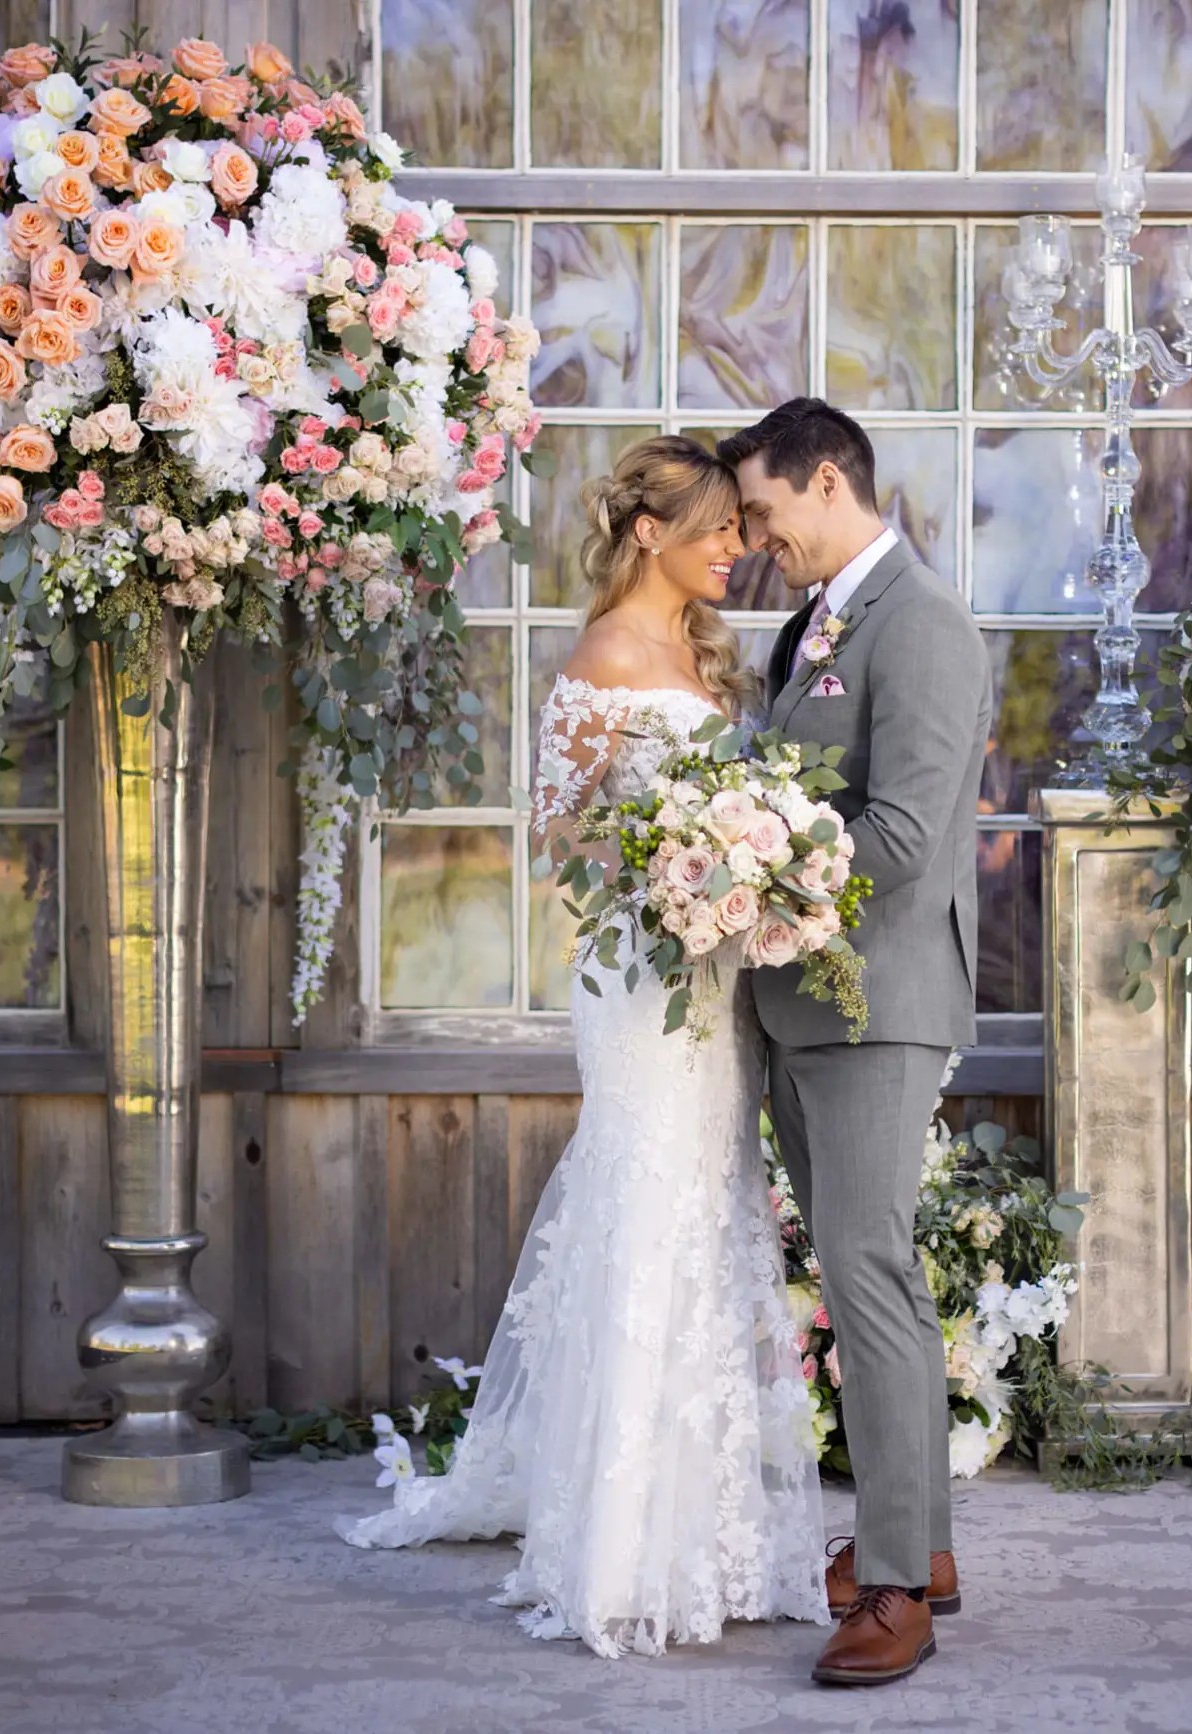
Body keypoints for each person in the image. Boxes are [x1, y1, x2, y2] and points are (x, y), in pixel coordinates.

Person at [334, 435, 828, 1659]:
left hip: (713, 985)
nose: (735, 549)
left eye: (739, 529)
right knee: (647, 1212)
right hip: (637, 982)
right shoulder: (606, 653)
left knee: (711, 1214)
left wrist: (744, 866)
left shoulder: (710, 654)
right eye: (715, 529)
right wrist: (676, 868)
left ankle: (705, 1530)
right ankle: (617, 1552)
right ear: (648, 532)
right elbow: (562, 835)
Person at [721, 398, 989, 1688]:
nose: (759, 542)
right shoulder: (814, 623)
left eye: (765, 514)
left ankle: (893, 1591)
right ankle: (916, 1547)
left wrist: (745, 866)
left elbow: (903, 841)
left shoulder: (924, 625)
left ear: (826, 482)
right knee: (862, 1278)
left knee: (870, 1281)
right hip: (803, 1005)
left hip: (875, 1006)